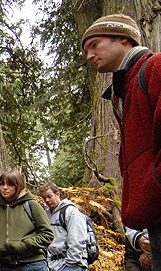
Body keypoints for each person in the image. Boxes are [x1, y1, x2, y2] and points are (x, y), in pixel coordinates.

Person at [82, 13, 161, 268]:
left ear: (124, 39)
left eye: (95, 44)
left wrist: (154, 187)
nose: (89, 56)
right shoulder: (121, 92)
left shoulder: (155, 68)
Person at [0, 170, 53, 271]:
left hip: (33, 265)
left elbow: (47, 235)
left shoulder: (31, 205)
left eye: (10, 184)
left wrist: (22, 245)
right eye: (2, 184)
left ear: (18, 186)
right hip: (4, 266)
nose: (5, 187)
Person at [38, 182, 89, 271]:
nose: (47, 200)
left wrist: (70, 262)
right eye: (44, 198)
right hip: (54, 264)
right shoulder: (47, 214)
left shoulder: (71, 212)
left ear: (57, 194)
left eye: (49, 196)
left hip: (72, 265)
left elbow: (77, 240)